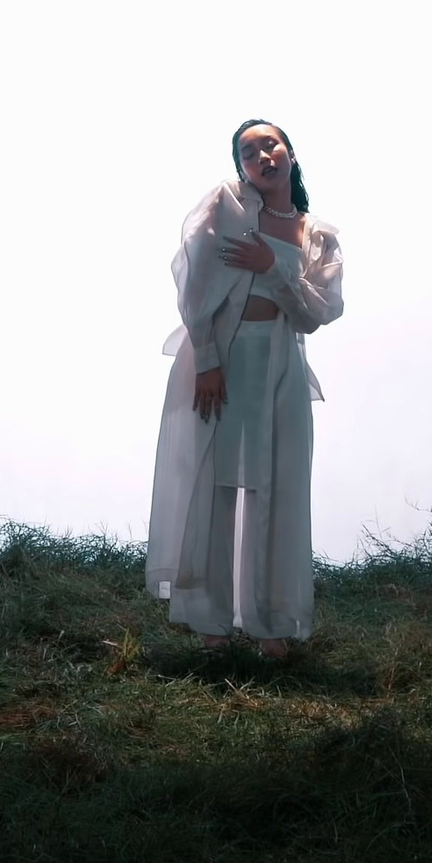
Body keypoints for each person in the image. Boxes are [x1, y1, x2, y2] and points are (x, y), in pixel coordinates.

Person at [145, 120, 345, 660]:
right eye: (248, 151)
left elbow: (314, 315)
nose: (262, 155)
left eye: (270, 144)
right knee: (216, 486)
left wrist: (273, 268)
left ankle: (270, 623)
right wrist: (207, 360)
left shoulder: (316, 234)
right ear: (241, 167)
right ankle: (211, 621)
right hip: (223, 361)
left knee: (277, 488)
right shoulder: (225, 209)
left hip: (281, 367)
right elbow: (194, 286)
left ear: (290, 153)